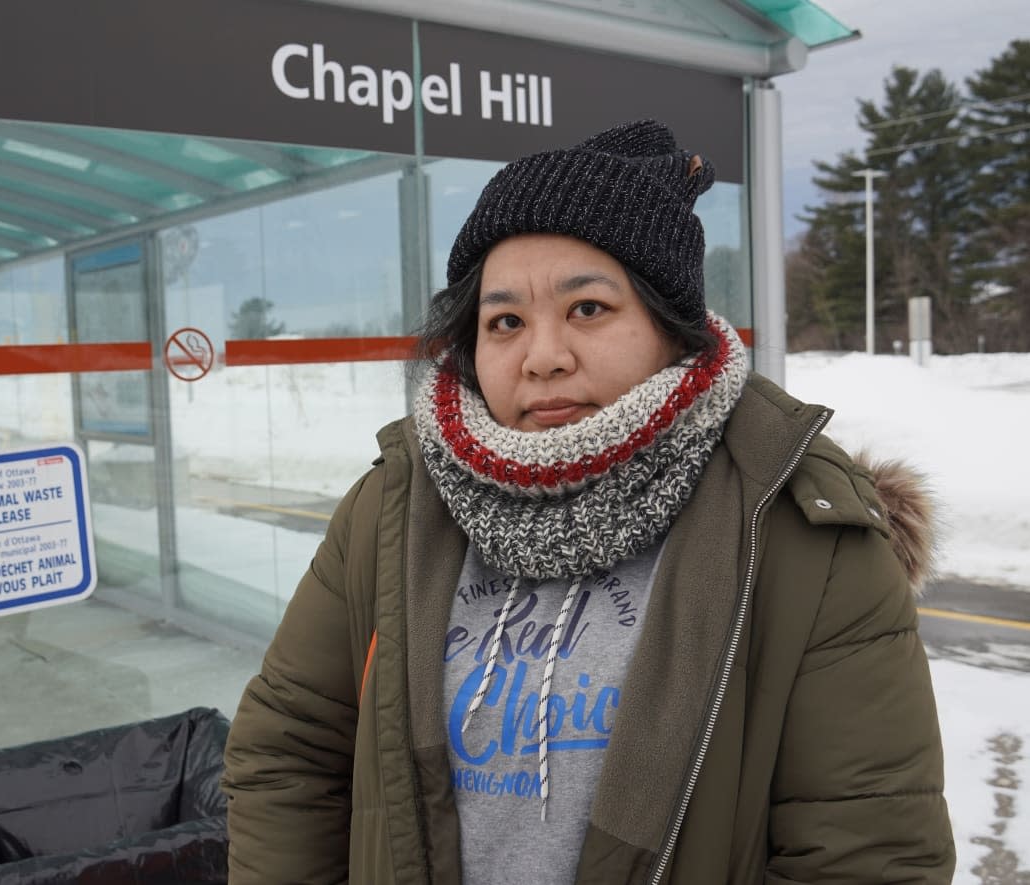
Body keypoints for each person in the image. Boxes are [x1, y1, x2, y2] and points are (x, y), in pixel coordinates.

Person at [220, 119, 955, 883]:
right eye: (505, 321)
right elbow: (289, 749)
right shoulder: (394, 506)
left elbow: (870, 853)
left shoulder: (800, 529)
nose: (543, 357)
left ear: (674, 331)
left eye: (588, 309)